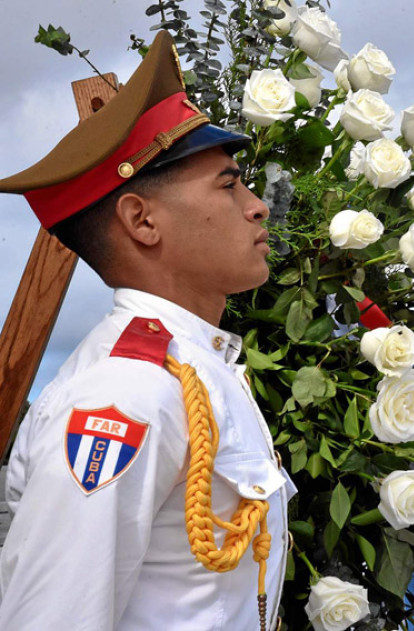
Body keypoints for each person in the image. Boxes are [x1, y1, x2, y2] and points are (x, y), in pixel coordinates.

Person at [0, 31, 294, 630]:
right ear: (142, 220)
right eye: (228, 183)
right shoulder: (126, 396)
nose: (257, 205)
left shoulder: (190, 367)